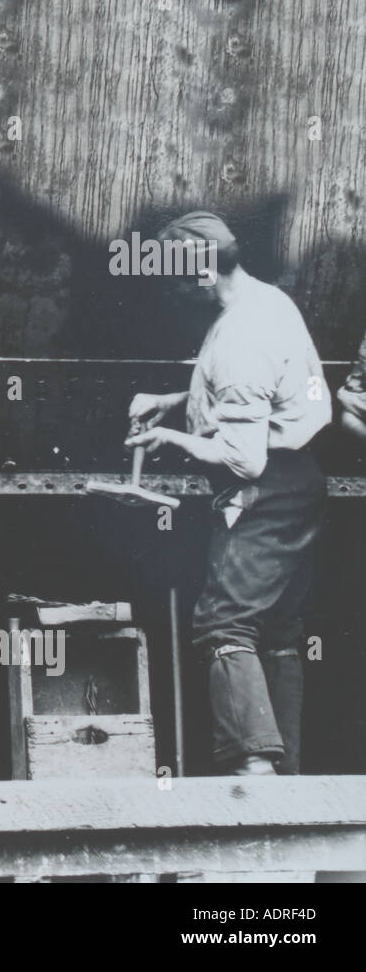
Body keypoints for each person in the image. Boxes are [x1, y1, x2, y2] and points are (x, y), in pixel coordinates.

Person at [126, 211, 329, 776]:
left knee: (224, 624)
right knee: (277, 631)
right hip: (297, 485)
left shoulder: (240, 336)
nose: (169, 292)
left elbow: (245, 456)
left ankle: (253, 769)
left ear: (199, 275)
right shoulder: (265, 302)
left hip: (264, 493)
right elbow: (257, 397)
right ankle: (284, 781)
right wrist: (175, 400)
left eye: (172, 279)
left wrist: (170, 436)